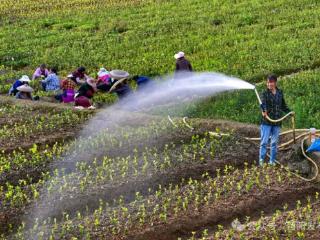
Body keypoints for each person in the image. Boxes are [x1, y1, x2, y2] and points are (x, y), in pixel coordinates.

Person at [259, 74, 292, 166]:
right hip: (266, 122)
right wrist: (264, 111)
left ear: (275, 83)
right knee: (264, 142)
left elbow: (283, 106)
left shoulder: (280, 92)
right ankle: (261, 161)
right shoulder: (264, 93)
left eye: (271, 82)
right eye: (268, 82)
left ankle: (272, 161)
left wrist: (290, 112)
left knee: (274, 143)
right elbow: (263, 104)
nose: (269, 84)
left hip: (277, 122)